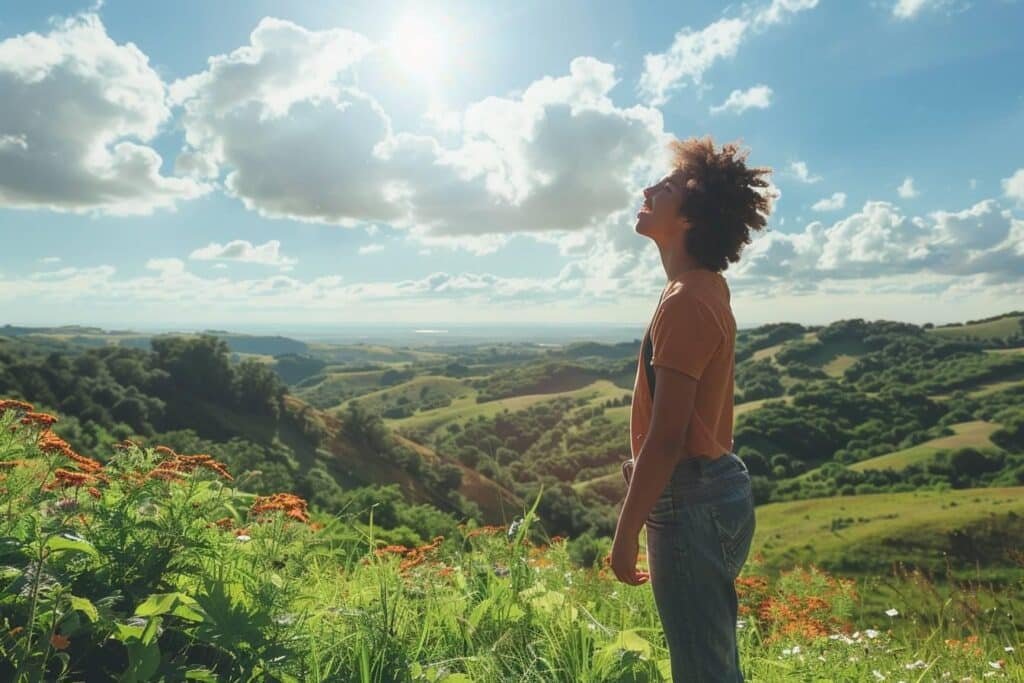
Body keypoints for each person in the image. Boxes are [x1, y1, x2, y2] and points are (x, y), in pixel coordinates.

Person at [610, 136, 774, 682]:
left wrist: (626, 530)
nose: (650, 189)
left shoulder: (685, 300)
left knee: (703, 670)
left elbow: (667, 437)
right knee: (713, 660)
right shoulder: (702, 288)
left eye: (669, 186)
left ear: (690, 218)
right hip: (708, 491)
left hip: (689, 499)